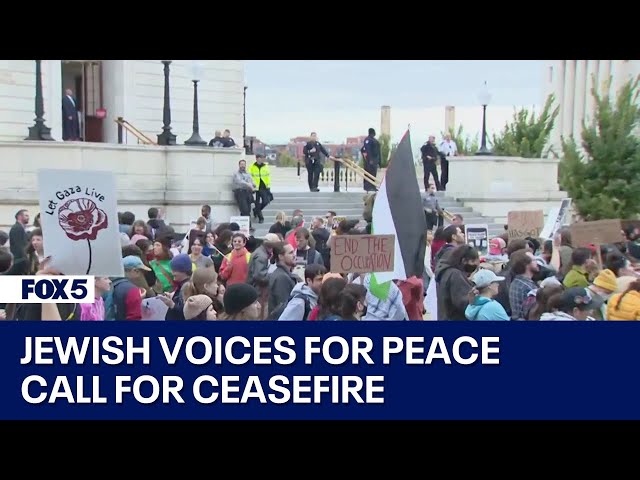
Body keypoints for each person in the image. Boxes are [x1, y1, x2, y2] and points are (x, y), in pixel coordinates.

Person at [434, 244, 479, 320]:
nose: (475, 265)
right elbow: (464, 302)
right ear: (464, 261)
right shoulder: (455, 275)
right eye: (472, 261)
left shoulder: (445, 272)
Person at [267, 242, 299, 316]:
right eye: (290, 253)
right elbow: (283, 307)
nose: (294, 255)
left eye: (293, 252)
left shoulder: (283, 274)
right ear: (281, 256)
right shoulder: (281, 277)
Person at [249, 154, 272, 224]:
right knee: (257, 203)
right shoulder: (252, 167)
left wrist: (268, 187)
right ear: (257, 159)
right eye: (260, 158)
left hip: (264, 187)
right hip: (255, 188)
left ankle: (256, 210)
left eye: (262, 158)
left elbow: (268, 177)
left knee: (265, 201)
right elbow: (250, 178)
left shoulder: (265, 167)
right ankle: (261, 218)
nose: (262, 159)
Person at [360, 128, 381, 192]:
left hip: (372, 161)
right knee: (369, 174)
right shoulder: (369, 140)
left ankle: (371, 186)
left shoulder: (373, 141)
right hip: (370, 161)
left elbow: (378, 152)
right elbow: (367, 150)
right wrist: (371, 159)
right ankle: (369, 187)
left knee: (372, 174)